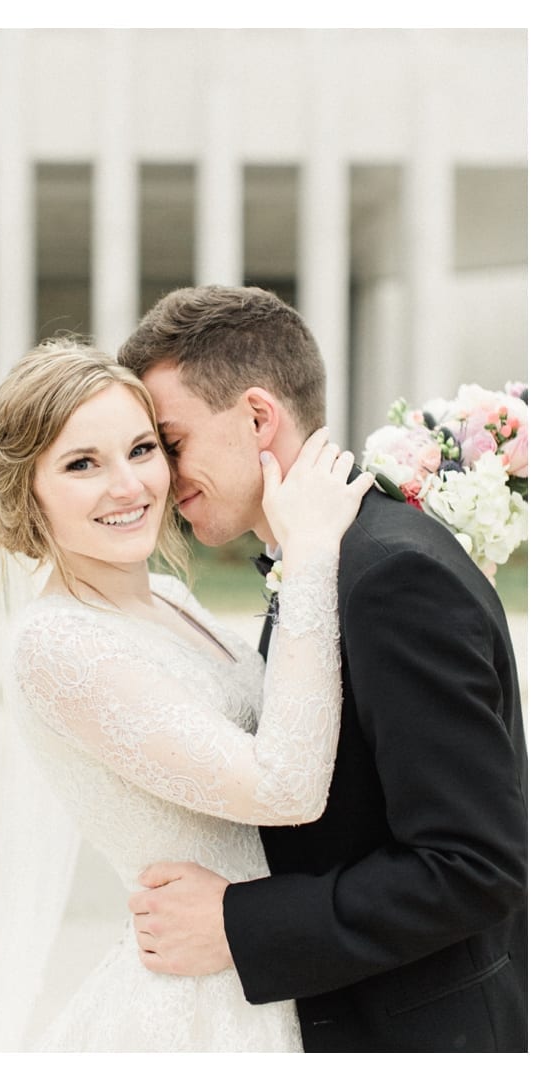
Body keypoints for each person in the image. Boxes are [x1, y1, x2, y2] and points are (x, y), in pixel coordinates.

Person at [0, 339, 372, 1050]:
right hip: (203, 1004)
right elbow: (284, 787)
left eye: (142, 448)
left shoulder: (170, 595)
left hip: (260, 959)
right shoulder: (59, 644)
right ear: (23, 491)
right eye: (81, 464)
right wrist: (308, 558)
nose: (128, 486)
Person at [117, 285, 526, 1052]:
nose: (161, 478)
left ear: (258, 416)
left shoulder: (387, 576)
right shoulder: (326, 559)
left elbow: (474, 863)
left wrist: (238, 923)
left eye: (171, 442)